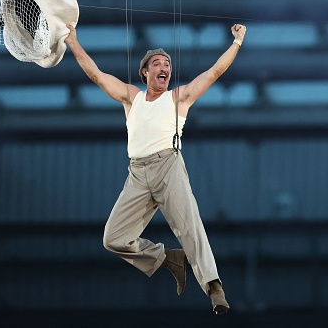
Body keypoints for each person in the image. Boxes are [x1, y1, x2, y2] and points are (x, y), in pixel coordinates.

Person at [64, 23, 246, 314]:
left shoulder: (178, 98)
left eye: (167, 64)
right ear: (145, 73)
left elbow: (214, 73)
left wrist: (236, 42)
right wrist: (73, 41)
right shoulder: (131, 97)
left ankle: (214, 287)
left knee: (190, 226)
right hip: (137, 173)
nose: (164, 67)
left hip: (168, 165)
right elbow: (96, 75)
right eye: (157, 64)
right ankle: (168, 259)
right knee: (113, 238)